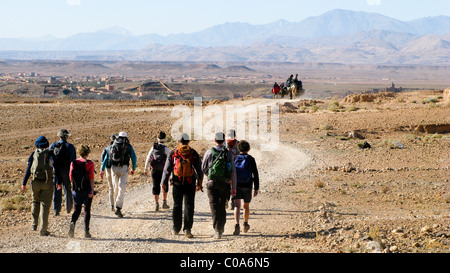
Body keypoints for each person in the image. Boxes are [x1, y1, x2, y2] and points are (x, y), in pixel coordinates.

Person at [161, 133, 203, 238]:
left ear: (179, 141)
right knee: (189, 205)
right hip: (190, 182)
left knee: (177, 205)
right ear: (188, 141)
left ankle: (176, 228)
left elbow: (167, 169)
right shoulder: (193, 153)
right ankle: (187, 229)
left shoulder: (174, 152)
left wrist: (164, 183)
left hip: (177, 182)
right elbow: (199, 169)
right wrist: (200, 183)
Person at [202, 132, 237, 239]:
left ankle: (217, 230)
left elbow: (203, 167)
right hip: (225, 183)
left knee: (214, 206)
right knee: (222, 206)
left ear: (215, 140)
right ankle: (221, 228)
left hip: (211, 183)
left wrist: (209, 176)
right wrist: (234, 187)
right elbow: (233, 171)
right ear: (224, 141)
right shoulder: (229, 154)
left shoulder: (209, 152)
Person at [22, 136, 55, 236]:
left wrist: (24, 183)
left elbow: (28, 169)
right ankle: (43, 229)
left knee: (35, 202)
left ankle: (34, 224)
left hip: (35, 182)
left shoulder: (34, 154)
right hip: (47, 182)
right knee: (45, 206)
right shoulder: (50, 154)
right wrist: (59, 181)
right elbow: (54, 167)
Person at [100, 131, 137, 218]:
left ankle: (114, 205)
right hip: (124, 168)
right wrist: (133, 168)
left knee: (115, 187)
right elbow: (134, 158)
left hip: (113, 168)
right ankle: (118, 207)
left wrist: (102, 169)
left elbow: (106, 158)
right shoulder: (128, 146)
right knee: (122, 187)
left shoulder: (113, 145)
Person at [68, 145, 95, 239]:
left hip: (76, 190)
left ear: (79, 152)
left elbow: (71, 177)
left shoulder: (73, 163)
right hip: (86, 190)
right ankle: (86, 232)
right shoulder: (90, 163)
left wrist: (75, 187)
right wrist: (92, 190)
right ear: (87, 153)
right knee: (87, 210)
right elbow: (91, 178)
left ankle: (72, 223)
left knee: (77, 210)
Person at [232, 140, 259, 235]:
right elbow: (255, 174)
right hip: (247, 185)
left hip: (236, 184)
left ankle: (237, 225)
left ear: (238, 149)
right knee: (246, 206)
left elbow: (231, 172)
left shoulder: (235, 158)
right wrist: (256, 188)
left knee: (236, 205)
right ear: (248, 149)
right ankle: (245, 224)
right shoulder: (251, 159)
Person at [51, 129, 76, 216]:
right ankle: (68, 208)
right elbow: (73, 160)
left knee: (56, 189)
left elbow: (50, 159)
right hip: (66, 171)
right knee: (67, 189)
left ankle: (56, 210)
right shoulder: (70, 146)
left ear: (59, 136)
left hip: (56, 170)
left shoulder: (53, 145)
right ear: (67, 136)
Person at [144, 132, 171, 211]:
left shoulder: (153, 148)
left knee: (155, 186)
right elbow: (170, 160)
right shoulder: (166, 149)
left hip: (154, 170)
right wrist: (171, 172)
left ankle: (156, 204)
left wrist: (145, 169)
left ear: (158, 139)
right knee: (164, 185)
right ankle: (164, 202)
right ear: (165, 140)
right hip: (164, 170)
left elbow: (148, 157)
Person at [101, 134, 117, 211]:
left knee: (111, 187)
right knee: (116, 186)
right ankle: (117, 204)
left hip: (108, 169)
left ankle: (112, 205)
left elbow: (104, 159)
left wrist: (102, 169)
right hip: (116, 168)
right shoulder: (118, 148)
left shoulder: (107, 148)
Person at [225, 129, 239, 210]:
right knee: (234, 185)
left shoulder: (224, 143)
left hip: (226, 167)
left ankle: (226, 200)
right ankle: (233, 203)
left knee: (227, 184)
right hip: (236, 167)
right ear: (235, 135)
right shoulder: (238, 143)